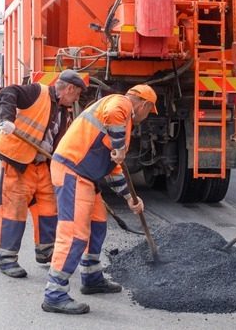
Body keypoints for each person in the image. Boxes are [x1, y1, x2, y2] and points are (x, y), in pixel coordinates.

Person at [41, 84, 157, 315]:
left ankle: (92, 277)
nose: (147, 116)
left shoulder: (123, 122)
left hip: (87, 178)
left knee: (97, 226)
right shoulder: (120, 104)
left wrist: (129, 198)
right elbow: (114, 119)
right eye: (149, 111)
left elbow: (113, 169)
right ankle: (54, 294)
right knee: (74, 234)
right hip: (73, 172)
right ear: (144, 104)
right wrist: (118, 147)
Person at [0, 70, 87, 278]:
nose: (77, 98)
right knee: (14, 211)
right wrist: (7, 119)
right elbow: (9, 92)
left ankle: (46, 252)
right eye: (77, 93)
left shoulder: (64, 110)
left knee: (49, 210)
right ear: (69, 89)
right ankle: (7, 259)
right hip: (19, 163)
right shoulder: (38, 92)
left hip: (42, 165)